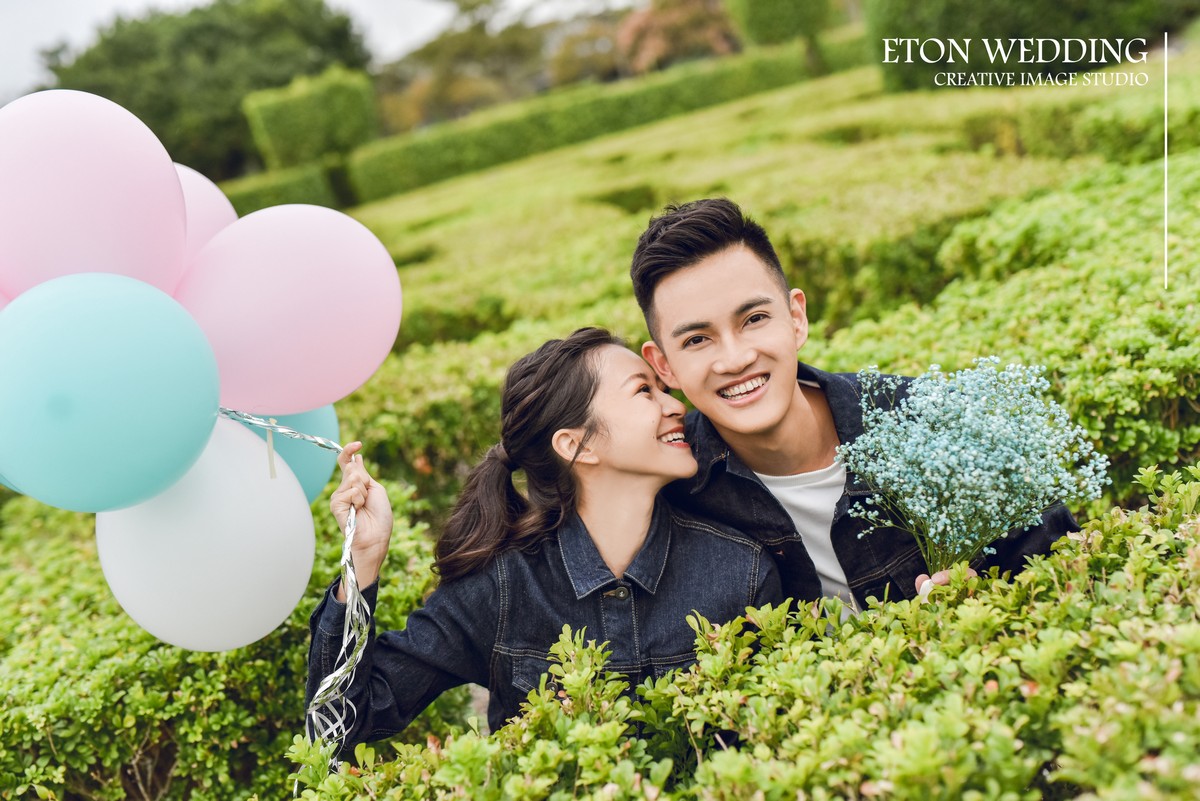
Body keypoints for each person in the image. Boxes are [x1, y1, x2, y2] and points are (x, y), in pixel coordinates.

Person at [306, 327, 782, 753]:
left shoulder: (742, 571)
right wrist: (362, 563)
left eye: (663, 389)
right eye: (644, 392)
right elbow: (339, 727)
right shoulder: (503, 586)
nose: (676, 405)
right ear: (576, 445)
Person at [630, 198, 1078, 609]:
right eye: (697, 339)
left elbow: (1066, 562)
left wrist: (982, 595)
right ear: (664, 366)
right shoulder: (668, 480)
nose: (736, 358)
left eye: (754, 319)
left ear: (796, 318)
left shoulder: (931, 422)